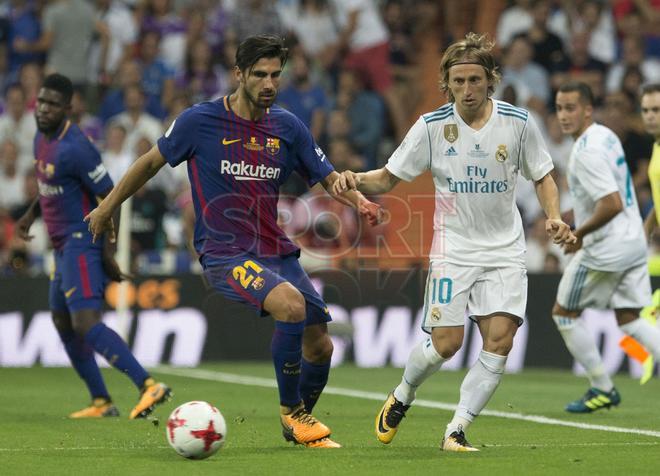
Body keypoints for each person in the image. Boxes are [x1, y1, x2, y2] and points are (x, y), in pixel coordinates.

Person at [85, 35, 382, 449]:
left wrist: (360, 199)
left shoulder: (287, 126)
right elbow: (151, 162)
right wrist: (108, 206)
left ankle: (299, 422)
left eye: (275, 75)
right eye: (259, 74)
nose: (269, 84)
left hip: (275, 250)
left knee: (321, 346)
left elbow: (329, 177)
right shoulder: (199, 121)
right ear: (239, 74)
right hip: (224, 252)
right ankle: (293, 414)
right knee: (291, 305)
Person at [333, 32, 575, 452]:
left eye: (475, 80)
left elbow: (542, 176)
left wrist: (553, 216)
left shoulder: (517, 124)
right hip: (454, 249)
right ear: (447, 82)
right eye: (459, 81)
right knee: (446, 344)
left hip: (504, 250)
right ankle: (404, 393)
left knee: (499, 340)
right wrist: (356, 179)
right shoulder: (431, 127)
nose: (467, 89)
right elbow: (388, 178)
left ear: (490, 80)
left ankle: (457, 429)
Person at [14, 73, 171, 419]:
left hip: (82, 241)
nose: (43, 109)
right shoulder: (43, 138)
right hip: (61, 246)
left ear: (69, 108)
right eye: (41, 101)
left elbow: (110, 195)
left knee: (85, 321)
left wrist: (108, 253)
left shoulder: (78, 149)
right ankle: (101, 400)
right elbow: (48, 184)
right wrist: (30, 215)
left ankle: (148, 386)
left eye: (52, 104)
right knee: (61, 320)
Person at [552, 81, 660, 413]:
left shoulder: (587, 152)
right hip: (632, 242)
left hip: (606, 248)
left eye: (571, 108)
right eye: (559, 108)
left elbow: (611, 203)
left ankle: (602, 387)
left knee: (564, 315)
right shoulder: (606, 136)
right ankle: (602, 387)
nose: (564, 115)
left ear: (587, 109)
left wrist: (579, 233)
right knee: (629, 319)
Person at [642, 83, 660, 238]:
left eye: (656, 110)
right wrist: (647, 227)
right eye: (645, 110)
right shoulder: (656, 146)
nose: (650, 116)